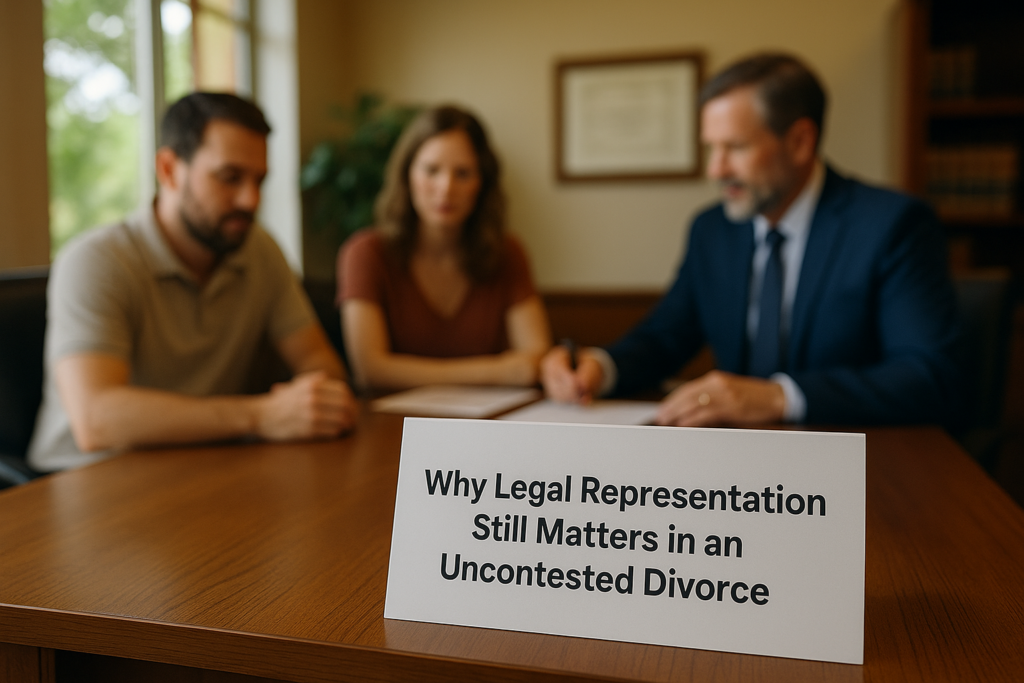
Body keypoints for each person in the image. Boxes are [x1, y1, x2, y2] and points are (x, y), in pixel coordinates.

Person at [542, 53, 963, 429]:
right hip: (738, 463)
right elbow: (666, 336)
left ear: (800, 142)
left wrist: (779, 397)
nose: (716, 169)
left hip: (857, 457)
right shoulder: (712, 229)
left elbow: (928, 374)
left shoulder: (891, 225)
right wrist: (600, 367)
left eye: (735, 147)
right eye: (711, 148)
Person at [29, 93, 358, 472]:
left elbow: (318, 362)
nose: (250, 200)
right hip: (84, 478)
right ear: (169, 169)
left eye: (259, 180)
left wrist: (316, 400)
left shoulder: (258, 250)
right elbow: (97, 420)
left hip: (199, 464)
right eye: (230, 178)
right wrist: (263, 415)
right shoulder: (97, 261)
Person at [337, 105, 551, 391]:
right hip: (393, 418)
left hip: (490, 417)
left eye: (462, 173)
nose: (446, 188)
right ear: (407, 175)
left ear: (482, 183)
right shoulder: (365, 253)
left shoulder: (507, 252)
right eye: (431, 170)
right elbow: (371, 370)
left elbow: (535, 360)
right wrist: (500, 371)